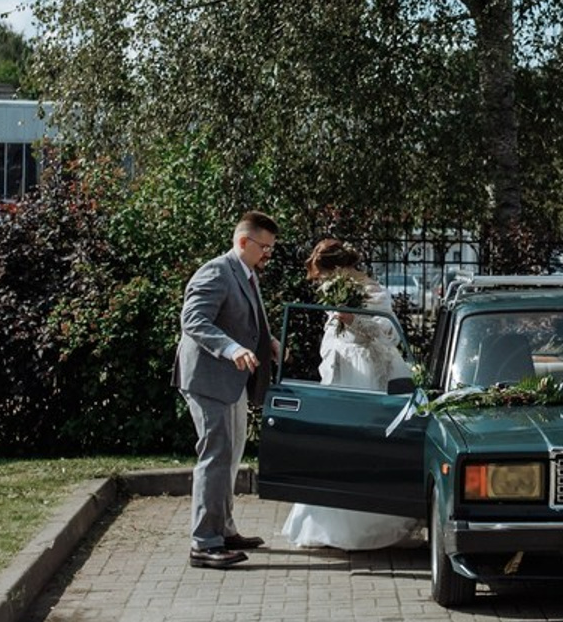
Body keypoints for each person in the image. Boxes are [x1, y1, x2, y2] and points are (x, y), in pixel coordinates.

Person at [281, 238, 422, 551]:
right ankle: (326, 524)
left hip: (366, 372)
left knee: (365, 442)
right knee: (333, 444)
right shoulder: (335, 289)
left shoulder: (374, 291)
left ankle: (367, 523)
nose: (322, 281)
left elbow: (387, 333)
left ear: (339, 269)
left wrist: (352, 319)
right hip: (340, 370)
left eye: (324, 274)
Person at [173, 211, 281, 570]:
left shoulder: (246, 272)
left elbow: (245, 318)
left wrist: (268, 342)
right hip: (208, 379)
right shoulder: (216, 271)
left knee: (230, 456)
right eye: (264, 247)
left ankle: (224, 530)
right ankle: (204, 543)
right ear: (243, 242)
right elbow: (193, 320)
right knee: (216, 455)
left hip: (232, 381)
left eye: (271, 248)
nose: (268, 254)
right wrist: (232, 349)